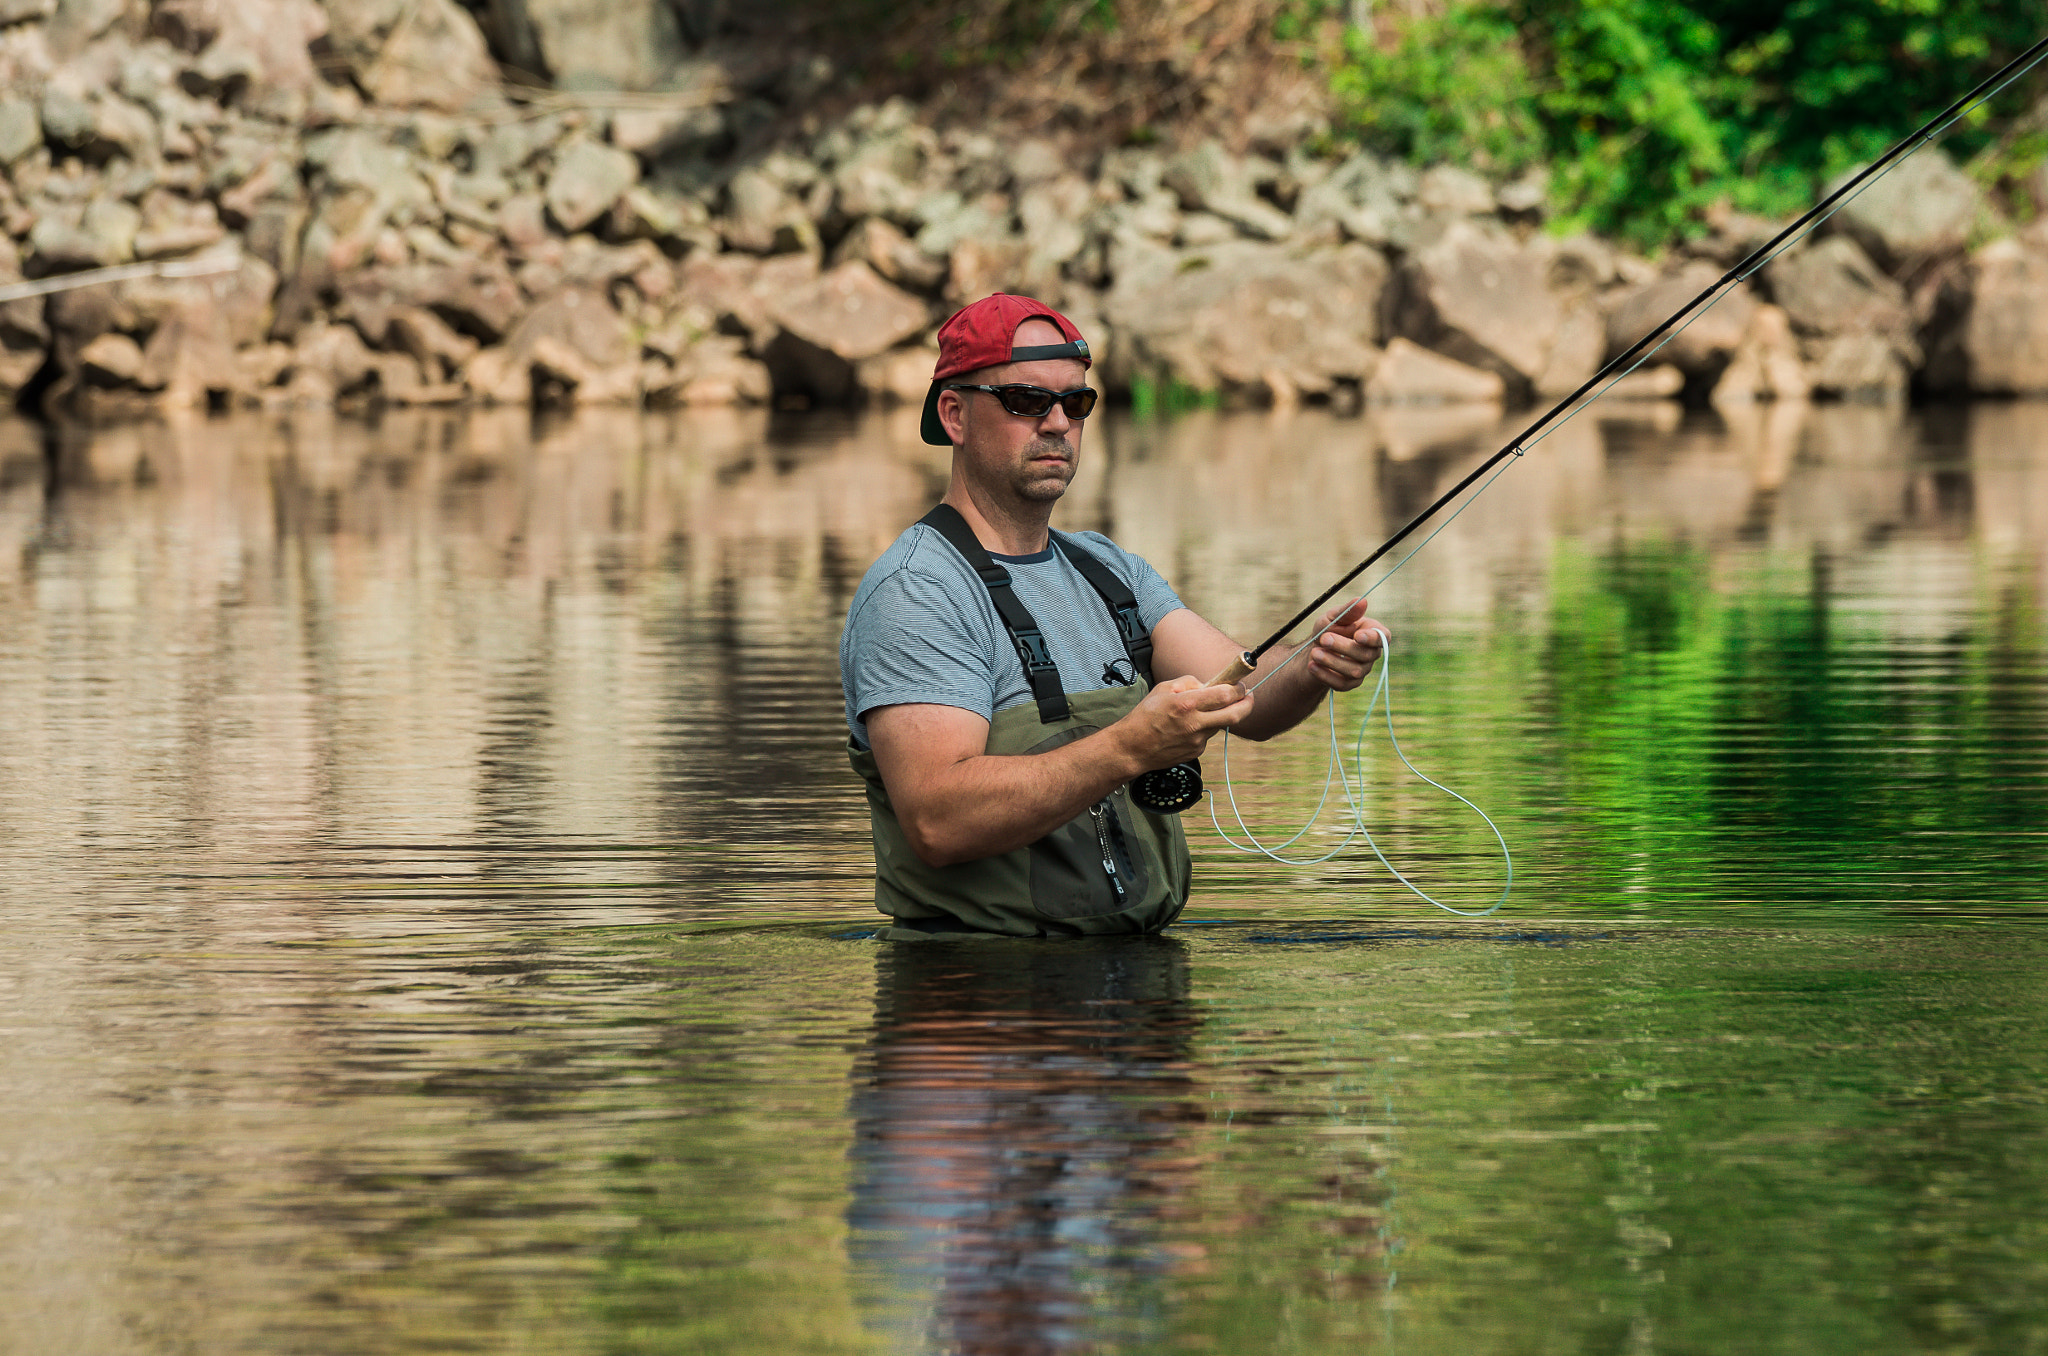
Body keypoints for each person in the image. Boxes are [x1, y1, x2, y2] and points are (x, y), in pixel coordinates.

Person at [840, 293, 1387, 938]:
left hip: (1131, 998)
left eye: (1076, 403)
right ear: (955, 415)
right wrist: (1129, 747)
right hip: (974, 994)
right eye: (1025, 401)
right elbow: (938, 820)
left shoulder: (1107, 569)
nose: (1056, 423)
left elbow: (1250, 698)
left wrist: (1315, 664)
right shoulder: (918, 590)